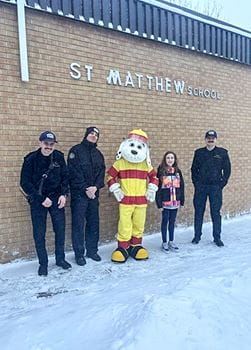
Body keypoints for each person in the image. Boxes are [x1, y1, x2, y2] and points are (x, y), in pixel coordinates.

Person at [20, 131, 72, 276]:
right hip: (38, 201)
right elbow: (24, 183)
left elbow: (65, 177)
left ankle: (60, 260)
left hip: (56, 199)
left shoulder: (59, 157)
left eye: (51, 144)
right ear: (40, 143)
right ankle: (43, 264)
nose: (48, 146)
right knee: (39, 233)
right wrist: (41, 199)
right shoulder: (31, 159)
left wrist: (63, 194)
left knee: (60, 230)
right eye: (46, 143)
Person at [67, 127, 105, 266]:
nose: (94, 136)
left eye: (96, 135)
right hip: (79, 195)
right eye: (91, 133)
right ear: (86, 135)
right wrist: (85, 188)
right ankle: (79, 254)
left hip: (94, 194)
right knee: (78, 225)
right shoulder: (75, 151)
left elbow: (102, 173)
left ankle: (92, 251)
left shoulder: (98, 154)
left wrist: (95, 187)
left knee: (93, 223)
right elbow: (73, 172)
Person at [191, 130, 231, 247]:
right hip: (201, 187)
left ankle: (217, 237)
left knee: (215, 212)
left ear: (216, 139)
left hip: (215, 188)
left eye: (213, 137)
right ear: (205, 139)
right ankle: (197, 236)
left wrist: (222, 184)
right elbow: (193, 170)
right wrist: (196, 184)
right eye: (208, 137)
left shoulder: (222, 153)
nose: (210, 139)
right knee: (198, 212)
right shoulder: (199, 153)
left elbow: (227, 170)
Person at [156, 151, 185, 252]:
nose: (170, 160)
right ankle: (164, 242)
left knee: (172, 222)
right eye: (168, 158)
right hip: (165, 202)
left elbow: (182, 187)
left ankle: (171, 241)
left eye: (172, 158)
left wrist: (181, 201)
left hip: (175, 202)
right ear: (165, 159)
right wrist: (159, 203)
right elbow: (158, 188)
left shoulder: (177, 171)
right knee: (165, 222)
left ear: (174, 159)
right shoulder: (161, 171)